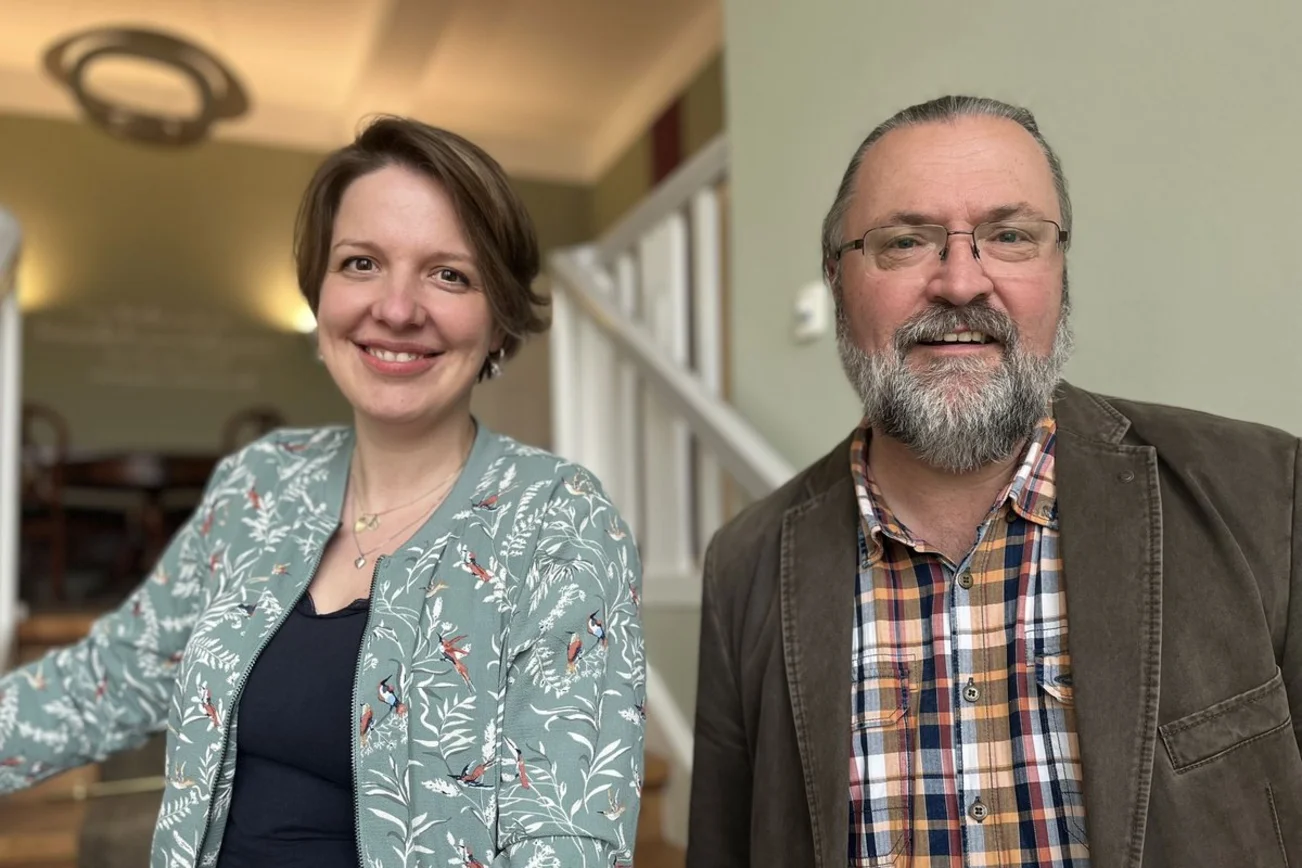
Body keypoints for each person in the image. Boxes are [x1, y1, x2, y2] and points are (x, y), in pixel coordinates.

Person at [0, 117, 645, 868]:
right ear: (320, 294)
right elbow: (107, 680)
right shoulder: (261, 481)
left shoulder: (559, 519)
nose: (397, 309)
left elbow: (567, 845)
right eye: (361, 262)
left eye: (449, 274)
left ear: (499, 316)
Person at [687, 95, 1301, 867]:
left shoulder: (1267, 494)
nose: (960, 283)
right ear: (837, 281)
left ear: (1060, 270)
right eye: (905, 241)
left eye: (1010, 236)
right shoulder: (745, 564)